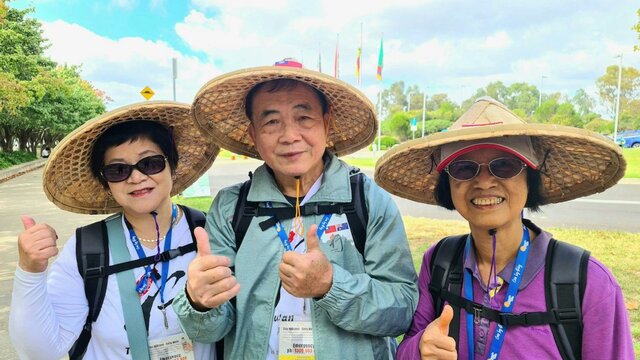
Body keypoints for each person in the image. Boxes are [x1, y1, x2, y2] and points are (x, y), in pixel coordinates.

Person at [172, 61, 419, 359]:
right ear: (253, 133)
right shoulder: (232, 207)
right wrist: (200, 303)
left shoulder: (367, 201)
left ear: (327, 125)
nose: (289, 136)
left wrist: (331, 285)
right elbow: (211, 331)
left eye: (304, 117)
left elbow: (403, 310)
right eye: (271, 122)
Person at [375, 97, 635, 359]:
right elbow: (405, 351)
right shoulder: (440, 262)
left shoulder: (588, 282)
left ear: (530, 178)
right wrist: (421, 348)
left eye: (504, 166)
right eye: (464, 168)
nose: (485, 182)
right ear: (448, 185)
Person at [9, 101, 220, 359]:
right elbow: (40, 351)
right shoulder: (86, 248)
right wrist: (30, 271)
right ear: (106, 183)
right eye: (118, 170)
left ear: (172, 166)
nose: (136, 177)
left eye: (150, 163)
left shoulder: (212, 231)